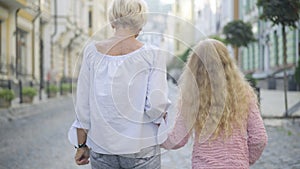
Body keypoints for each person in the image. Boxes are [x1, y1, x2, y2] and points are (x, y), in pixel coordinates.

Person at [68, 0, 170, 168]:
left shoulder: (91, 52)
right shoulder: (153, 54)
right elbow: (156, 105)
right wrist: (160, 116)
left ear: (112, 21)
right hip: (141, 146)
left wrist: (81, 145)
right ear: (141, 24)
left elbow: (83, 107)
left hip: (102, 146)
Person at [162, 39, 268, 169]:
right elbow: (259, 138)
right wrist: (244, 160)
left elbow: (177, 140)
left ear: (194, 66)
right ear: (227, 63)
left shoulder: (191, 96)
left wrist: (154, 133)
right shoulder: (244, 93)